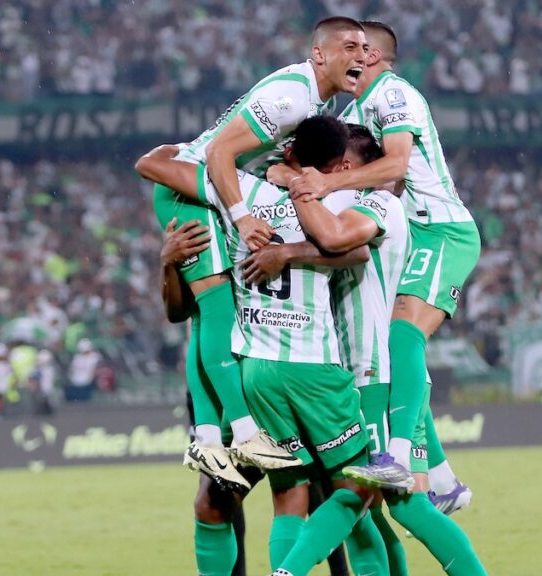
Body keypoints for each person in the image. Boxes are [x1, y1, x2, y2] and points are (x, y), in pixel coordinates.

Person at [134, 16, 369, 480]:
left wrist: (275, 175)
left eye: (365, 48)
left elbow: (241, 153)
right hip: (194, 192)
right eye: (350, 46)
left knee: (205, 316)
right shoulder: (293, 98)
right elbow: (220, 152)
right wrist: (243, 218)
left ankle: (206, 437)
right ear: (319, 53)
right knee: (217, 307)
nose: (361, 56)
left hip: (207, 188)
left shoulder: (314, 99)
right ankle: (242, 432)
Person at [148, 116, 382, 576]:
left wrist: (223, 152)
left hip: (251, 378)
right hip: (284, 374)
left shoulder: (239, 198)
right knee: (348, 490)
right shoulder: (330, 204)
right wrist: (168, 265)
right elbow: (180, 311)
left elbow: (155, 164)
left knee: (293, 493)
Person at [270, 124, 486, 575]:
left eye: (327, 164)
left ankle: (285, 572)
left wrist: (294, 196)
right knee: (400, 506)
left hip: (377, 373)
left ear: (346, 167)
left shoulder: (378, 202)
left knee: (360, 494)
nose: (319, 172)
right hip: (373, 372)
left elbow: (333, 238)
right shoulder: (343, 201)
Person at [287, 20, 480, 506]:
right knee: (399, 350)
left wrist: (328, 186)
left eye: (357, 49)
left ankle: (397, 455)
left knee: (402, 337)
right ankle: (441, 477)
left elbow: (395, 166)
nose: (350, 58)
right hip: (413, 234)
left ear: (373, 56)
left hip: (441, 230)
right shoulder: (360, 107)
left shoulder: (393, 96)